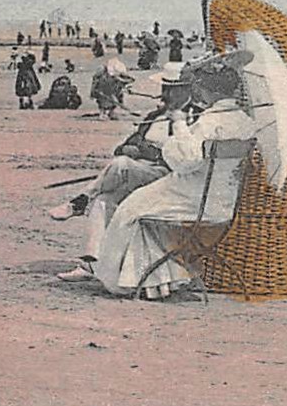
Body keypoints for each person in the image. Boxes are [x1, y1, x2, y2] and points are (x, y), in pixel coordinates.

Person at [65, 57, 260, 298]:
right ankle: (157, 281)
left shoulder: (207, 121)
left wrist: (178, 129)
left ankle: (116, 280)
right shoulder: (246, 122)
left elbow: (185, 162)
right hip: (223, 202)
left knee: (130, 209)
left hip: (192, 199)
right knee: (135, 206)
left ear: (207, 90)